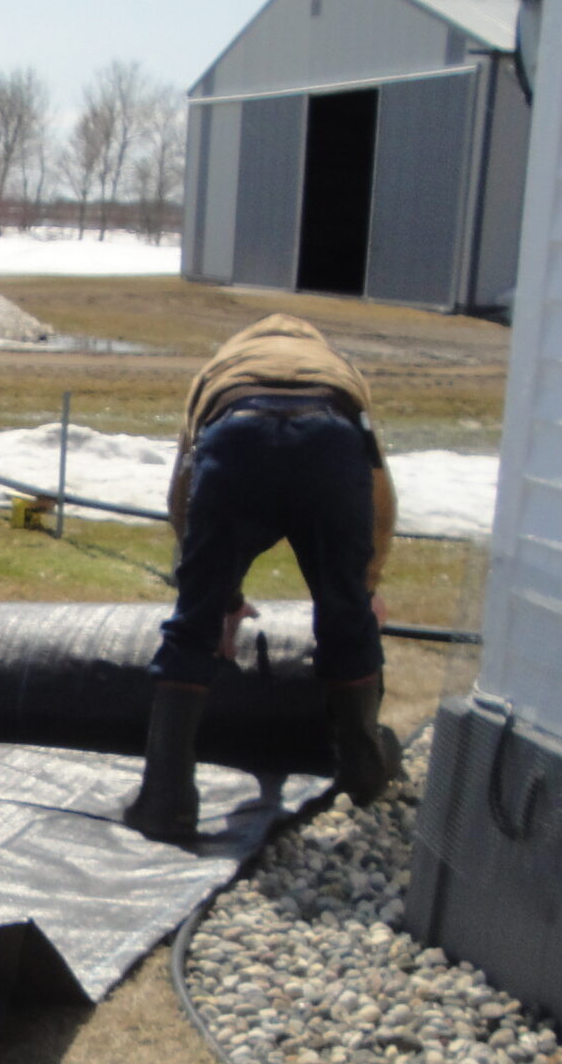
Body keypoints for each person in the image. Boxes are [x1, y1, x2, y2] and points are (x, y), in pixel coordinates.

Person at [127, 312, 400, 842]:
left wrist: (216, 599)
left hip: (237, 439)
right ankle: (363, 773)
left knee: (190, 627)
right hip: (331, 443)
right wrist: (365, 588)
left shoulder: (221, 367)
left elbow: (183, 491)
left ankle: (166, 800)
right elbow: (378, 487)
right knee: (344, 620)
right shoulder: (339, 368)